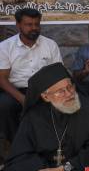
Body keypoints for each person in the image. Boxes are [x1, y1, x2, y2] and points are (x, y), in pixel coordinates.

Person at [0, 8, 62, 146]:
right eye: (29, 24)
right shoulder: (5, 47)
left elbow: (58, 73)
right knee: (4, 105)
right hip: (16, 90)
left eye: (36, 24)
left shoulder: (50, 45)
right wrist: (23, 99)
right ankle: (17, 145)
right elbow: (2, 79)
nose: (34, 28)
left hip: (44, 90)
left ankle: (53, 146)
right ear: (18, 25)